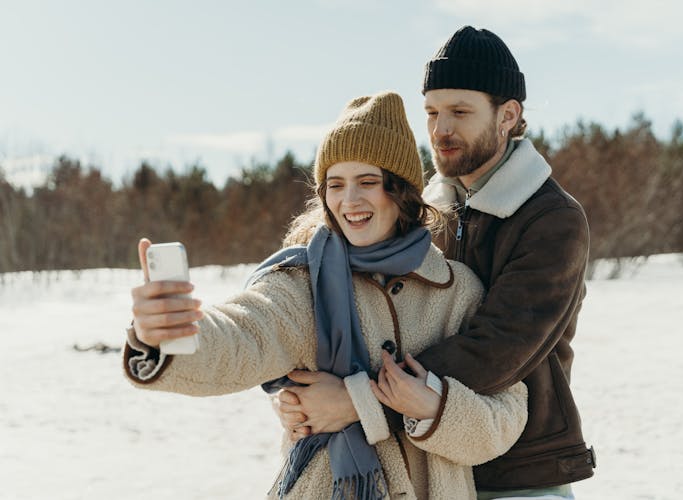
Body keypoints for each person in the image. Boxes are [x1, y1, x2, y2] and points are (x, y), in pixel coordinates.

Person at [123, 90, 529, 499]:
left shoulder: (457, 291)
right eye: (335, 184)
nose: (349, 200)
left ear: (400, 191)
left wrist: (431, 406)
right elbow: (241, 335)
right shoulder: (302, 283)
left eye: (367, 182)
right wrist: (164, 334)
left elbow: (507, 416)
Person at [275, 26, 595, 499]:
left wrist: (355, 401)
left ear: (508, 116)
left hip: (521, 472)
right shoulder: (424, 213)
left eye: (460, 112)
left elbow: (498, 348)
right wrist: (303, 394)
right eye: (431, 112)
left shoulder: (551, 219)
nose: (440, 130)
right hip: (432, 464)